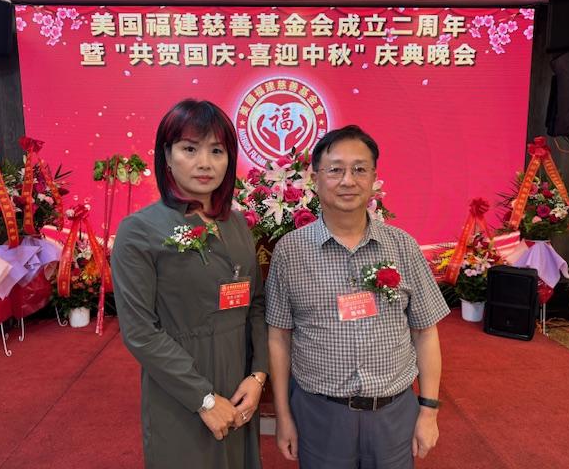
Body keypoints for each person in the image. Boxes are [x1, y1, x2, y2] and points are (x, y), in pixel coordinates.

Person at [266, 125, 450, 469]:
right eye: (335, 170)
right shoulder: (290, 252)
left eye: (359, 169)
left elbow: (426, 331)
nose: (348, 180)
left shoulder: (403, 246)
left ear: (374, 178)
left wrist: (428, 411)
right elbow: (278, 337)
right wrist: (283, 415)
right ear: (315, 179)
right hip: (320, 414)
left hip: (393, 414)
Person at [111, 99, 268, 469]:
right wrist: (204, 399)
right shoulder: (139, 230)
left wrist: (258, 376)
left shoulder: (237, 224)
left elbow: (257, 304)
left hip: (239, 378)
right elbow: (140, 332)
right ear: (167, 156)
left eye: (217, 151)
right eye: (190, 149)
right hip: (181, 384)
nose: (205, 163)